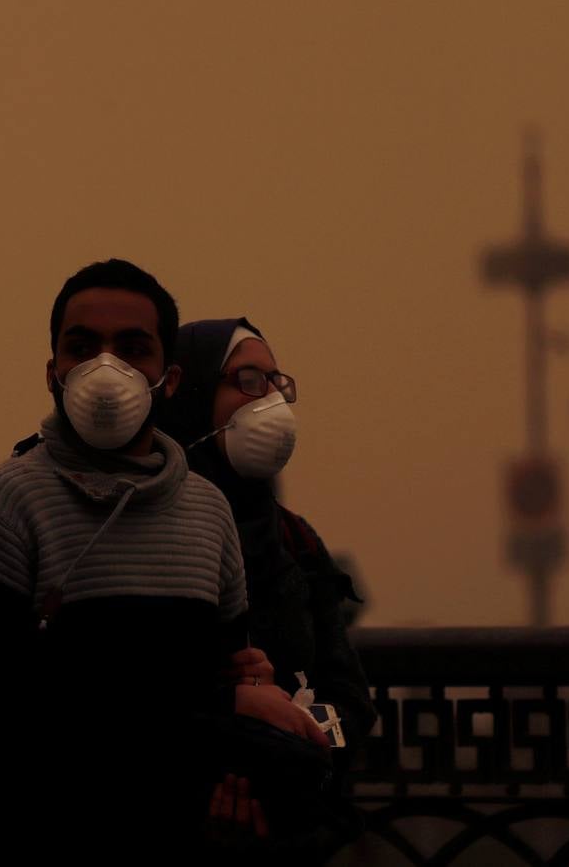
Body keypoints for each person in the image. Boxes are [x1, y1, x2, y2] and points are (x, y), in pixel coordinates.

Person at [0, 261, 324, 865]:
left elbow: (220, 682)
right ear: (52, 372)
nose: (106, 368)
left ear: (170, 378)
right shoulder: (3, 509)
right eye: (82, 347)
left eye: (133, 349)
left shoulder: (206, 511)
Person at [159, 316, 378, 862]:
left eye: (276, 382)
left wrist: (297, 737)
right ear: (190, 395)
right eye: (248, 381)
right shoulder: (144, 534)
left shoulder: (293, 539)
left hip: (294, 836)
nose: (271, 401)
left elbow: (349, 694)